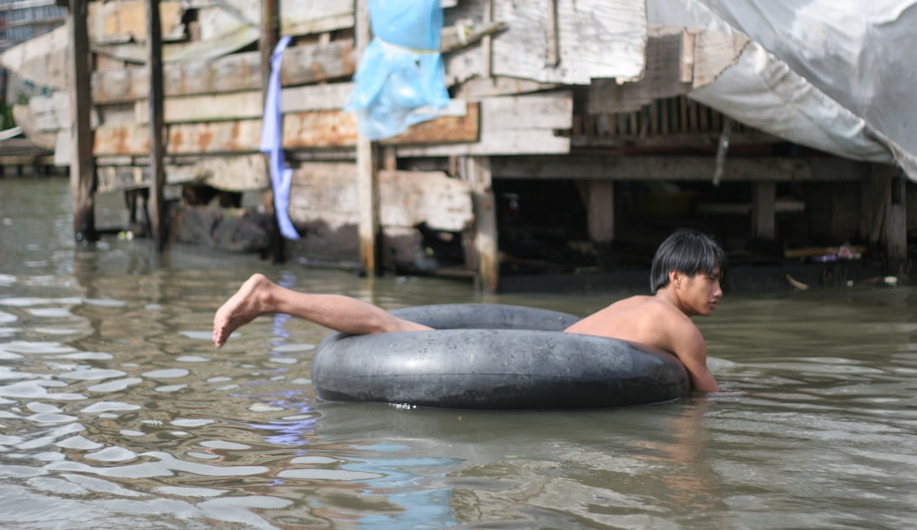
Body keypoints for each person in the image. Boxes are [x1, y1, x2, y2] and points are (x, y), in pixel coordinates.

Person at [212, 228, 724, 392]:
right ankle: (274, 298)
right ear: (677, 278)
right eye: (711, 279)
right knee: (384, 325)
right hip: (532, 359)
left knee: (387, 323)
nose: (719, 290)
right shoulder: (681, 330)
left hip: (547, 351)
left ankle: (274, 299)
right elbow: (706, 402)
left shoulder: (634, 304)